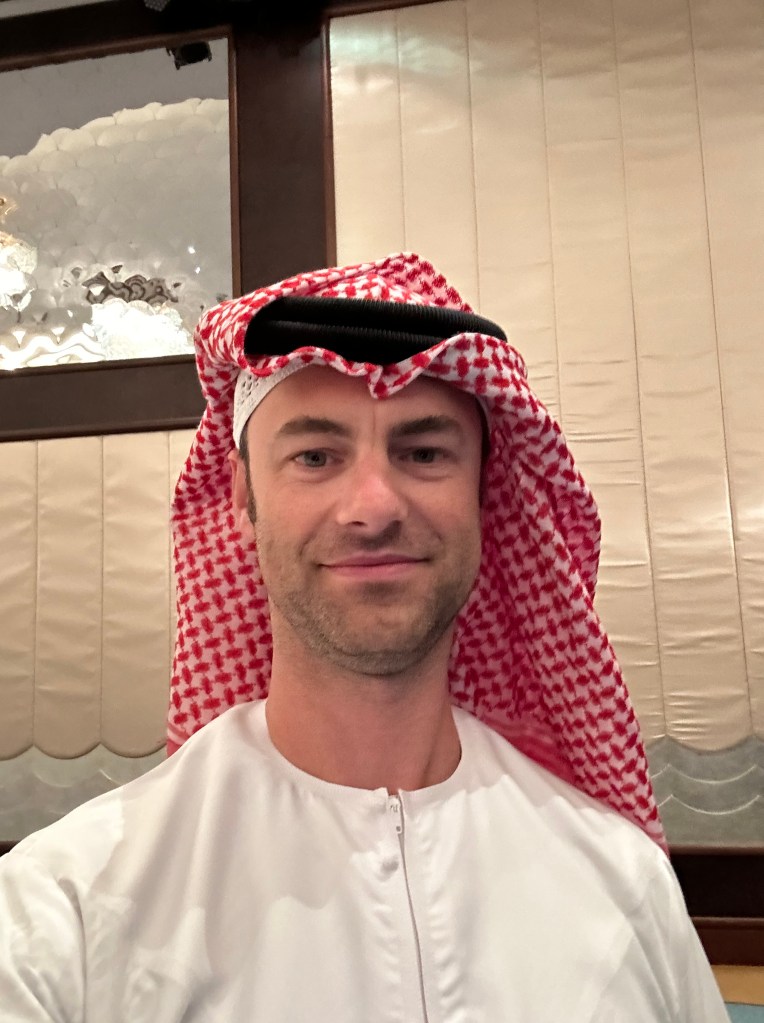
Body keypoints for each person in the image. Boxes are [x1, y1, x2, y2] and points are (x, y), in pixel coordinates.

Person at [0, 254, 729, 1021]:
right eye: (315, 456)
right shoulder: (68, 910)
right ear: (243, 498)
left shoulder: (622, 884)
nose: (374, 505)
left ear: (483, 493)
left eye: (424, 453)